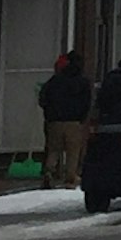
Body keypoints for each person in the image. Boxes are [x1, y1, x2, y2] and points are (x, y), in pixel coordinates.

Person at [38, 51, 93, 191]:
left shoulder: (55, 80)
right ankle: (70, 178)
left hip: (54, 121)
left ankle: (49, 171)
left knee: (54, 150)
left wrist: (49, 113)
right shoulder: (83, 82)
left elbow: (43, 98)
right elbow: (87, 102)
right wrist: (82, 117)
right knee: (73, 151)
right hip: (74, 121)